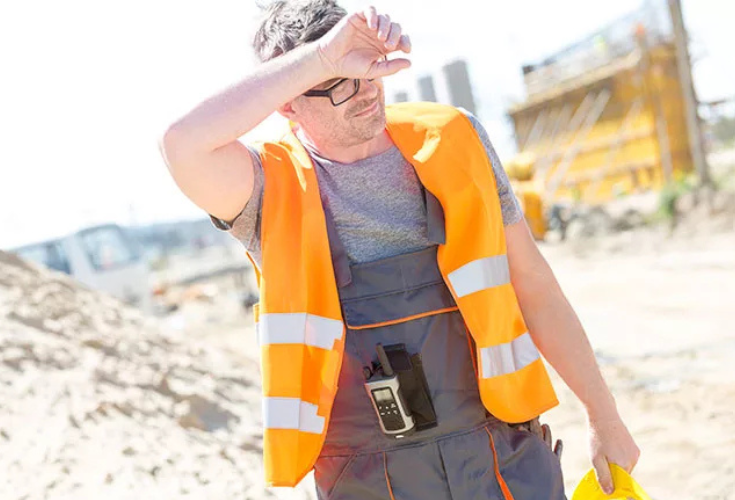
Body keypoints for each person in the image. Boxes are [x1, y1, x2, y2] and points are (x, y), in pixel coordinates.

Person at [159, 1, 640, 498]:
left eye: (367, 68)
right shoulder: (266, 188)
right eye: (338, 80)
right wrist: (322, 58)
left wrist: (604, 415)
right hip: (367, 482)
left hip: (503, 460)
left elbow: (533, 286)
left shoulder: (454, 140)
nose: (364, 89)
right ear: (287, 101)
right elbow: (181, 144)